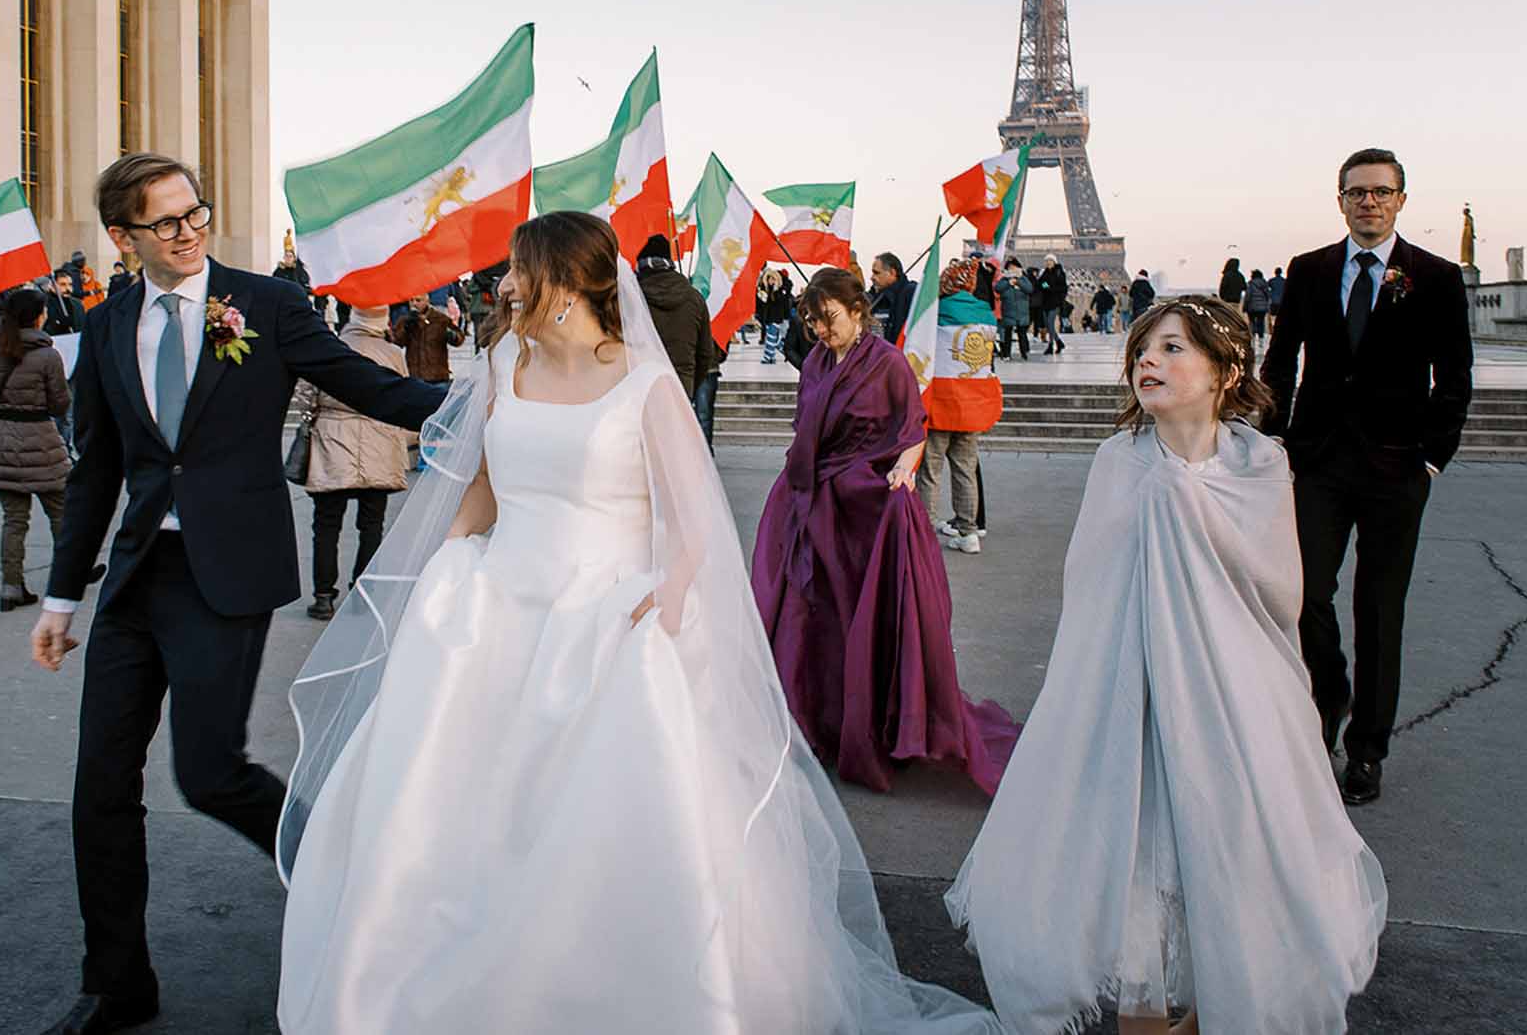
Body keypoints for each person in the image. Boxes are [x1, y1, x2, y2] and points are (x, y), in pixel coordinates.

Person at [275, 215, 1000, 1035]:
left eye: (519, 270)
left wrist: (674, 590)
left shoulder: (645, 384)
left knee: (603, 822)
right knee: (452, 808)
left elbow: (690, 514)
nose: (505, 285)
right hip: (494, 607)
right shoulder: (501, 361)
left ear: (567, 282)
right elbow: (480, 484)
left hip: (605, 611)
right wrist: (437, 570)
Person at [27, 153, 444, 1035]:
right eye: (166, 222)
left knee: (209, 773)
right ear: (122, 238)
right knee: (99, 783)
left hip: (227, 573)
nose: (189, 232)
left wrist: (490, 404)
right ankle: (115, 982)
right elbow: (97, 469)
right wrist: (62, 598)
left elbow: (369, 385)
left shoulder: (267, 304)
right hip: (137, 579)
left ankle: (344, 870)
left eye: (195, 212)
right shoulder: (106, 328)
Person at [949, 297, 1386, 1035]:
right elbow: (1088, 584)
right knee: (1138, 890)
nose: (1150, 361)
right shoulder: (1119, 460)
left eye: (1174, 348)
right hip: (1130, 688)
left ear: (1226, 370)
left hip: (1232, 694)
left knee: (1233, 867)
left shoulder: (1261, 463)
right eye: (1144, 349)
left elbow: (1282, 592)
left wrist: (1194, 514)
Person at [750, 267, 1019, 796]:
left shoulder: (889, 364)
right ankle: (814, 724)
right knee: (811, 616)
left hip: (865, 507)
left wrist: (906, 467)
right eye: (811, 321)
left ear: (857, 312)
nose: (820, 331)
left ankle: (866, 726)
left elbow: (913, 428)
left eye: (827, 319)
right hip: (814, 497)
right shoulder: (814, 361)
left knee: (857, 618)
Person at [1260, 147, 1473, 807]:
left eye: (1382, 192)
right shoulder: (1309, 270)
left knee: (1379, 610)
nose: (1370, 202)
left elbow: (1455, 377)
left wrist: (1432, 456)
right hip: (1318, 462)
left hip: (1395, 467)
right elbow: (1280, 363)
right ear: (1341, 200)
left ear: (1402, 200)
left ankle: (1368, 751)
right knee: (1305, 598)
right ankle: (1328, 703)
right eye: (1357, 192)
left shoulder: (1434, 277)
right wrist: (1274, 444)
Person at [297, 304, 411, 621]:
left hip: (332, 439)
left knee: (326, 523)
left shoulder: (331, 347)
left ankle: (323, 596)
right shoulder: (393, 353)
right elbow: (404, 393)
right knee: (371, 524)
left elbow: (307, 393)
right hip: (379, 439)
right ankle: (362, 592)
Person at [0, 286, 71, 613]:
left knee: (14, 519)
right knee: (60, 511)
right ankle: (69, 577)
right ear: (38, 316)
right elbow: (60, 405)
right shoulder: (47, 355)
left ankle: (10, 585)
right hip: (40, 440)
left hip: (0, 439)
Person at [920, 260, 1000, 556]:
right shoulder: (986, 314)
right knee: (965, 469)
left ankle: (925, 531)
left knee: (930, 470)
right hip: (972, 402)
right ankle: (969, 532)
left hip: (940, 401)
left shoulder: (936, 311)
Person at [633, 234, 716, 399]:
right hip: (682, 384)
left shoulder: (632, 297)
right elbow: (705, 352)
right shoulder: (694, 297)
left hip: (642, 386)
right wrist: (690, 380)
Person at [392, 292, 464, 385]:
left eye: (418, 300)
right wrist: (406, 327)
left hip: (437, 374)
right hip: (415, 374)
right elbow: (397, 342)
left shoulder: (440, 318)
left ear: (427, 301)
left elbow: (458, 339)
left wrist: (452, 335)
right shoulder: (405, 319)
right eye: (411, 300)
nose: (414, 303)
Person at [869, 251, 914, 343]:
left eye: (877, 273)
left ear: (892, 273)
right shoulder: (874, 298)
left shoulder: (911, 293)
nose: (872, 277)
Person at [994, 260, 1033, 360]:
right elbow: (998, 288)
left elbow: (1029, 289)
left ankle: (1024, 353)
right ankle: (1007, 354)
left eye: (1014, 267)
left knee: (1022, 333)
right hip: (1008, 309)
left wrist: (1018, 282)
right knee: (1008, 333)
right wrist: (1008, 283)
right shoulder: (1004, 279)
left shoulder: (1023, 278)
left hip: (1022, 310)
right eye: (1010, 267)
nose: (1013, 269)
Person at [757, 269, 795, 365]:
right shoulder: (764, 290)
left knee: (771, 336)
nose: (771, 281)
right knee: (773, 338)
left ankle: (768, 356)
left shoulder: (781, 291)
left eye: (773, 279)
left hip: (777, 317)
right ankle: (778, 354)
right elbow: (760, 304)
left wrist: (778, 289)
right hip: (767, 318)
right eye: (770, 278)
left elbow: (782, 300)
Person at [43, 271, 88, 337]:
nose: (68, 288)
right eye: (62, 284)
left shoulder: (77, 304)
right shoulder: (44, 304)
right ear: (52, 286)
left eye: (70, 284)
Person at [1038, 257, 1068, 354]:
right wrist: (1047, 287)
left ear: (1054, 262)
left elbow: (1063, 287)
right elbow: (1041, 283)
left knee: (1050, 323)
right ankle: (1059, 342)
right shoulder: (1045, 273)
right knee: (1047, 325)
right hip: (1045, 302)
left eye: (1050, 261)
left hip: (1055, 302)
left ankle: (1050, 345)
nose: (1048, 263)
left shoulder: (1059, 273)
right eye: (1046, 261)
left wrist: (1052, 289)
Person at [1244, 266, 1274, 350]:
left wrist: (1245, 306)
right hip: (1262, 308)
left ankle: (1253, 340)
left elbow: (1248, 296)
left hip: (1252, 307)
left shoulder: (1251, 284)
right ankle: (1261, 340)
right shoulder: (1264, 284)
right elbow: (1268, 295)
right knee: (1261, 322)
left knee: (1252, 323)